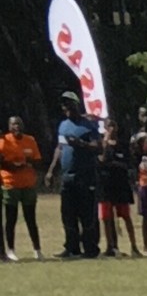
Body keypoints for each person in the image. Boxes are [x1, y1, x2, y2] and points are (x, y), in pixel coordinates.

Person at [53, 98, 100, 258]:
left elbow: (98, 147)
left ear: (77, 105)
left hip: (85, 177)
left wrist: (80, 143)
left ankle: (90, 248)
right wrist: (51, 170)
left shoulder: (88, 124)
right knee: (68, 214)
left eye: (70, 105)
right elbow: (59, 148)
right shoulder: (63, 125)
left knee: (87, 214)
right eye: (64, 106)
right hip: (67, 177)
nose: (67, 109)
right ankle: (72, 247)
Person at [96, 131, 140, 257]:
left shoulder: (123, 146)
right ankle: (110, 247)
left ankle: (134, 247)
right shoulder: (101, 146)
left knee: (126, 216)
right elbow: (101, 161)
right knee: (106, 218)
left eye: (114, 127)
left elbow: (127, 163)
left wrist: (114, 163)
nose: (111, 130)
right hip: (105, 186)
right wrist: (105, 146)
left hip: (121, 186)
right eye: (108, 128)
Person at [0, 116, 38, 262]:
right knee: (11, 219)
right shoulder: (4, 141)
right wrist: (13, 166)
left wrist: (29, 163)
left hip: (28, 184)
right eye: (13, 124)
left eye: (19, 124)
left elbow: (37, 159)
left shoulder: (30, 140)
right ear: (9, 126)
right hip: (10, 184)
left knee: (31, 218)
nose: (16, 126)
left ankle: (37, 249)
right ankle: (10, 250)